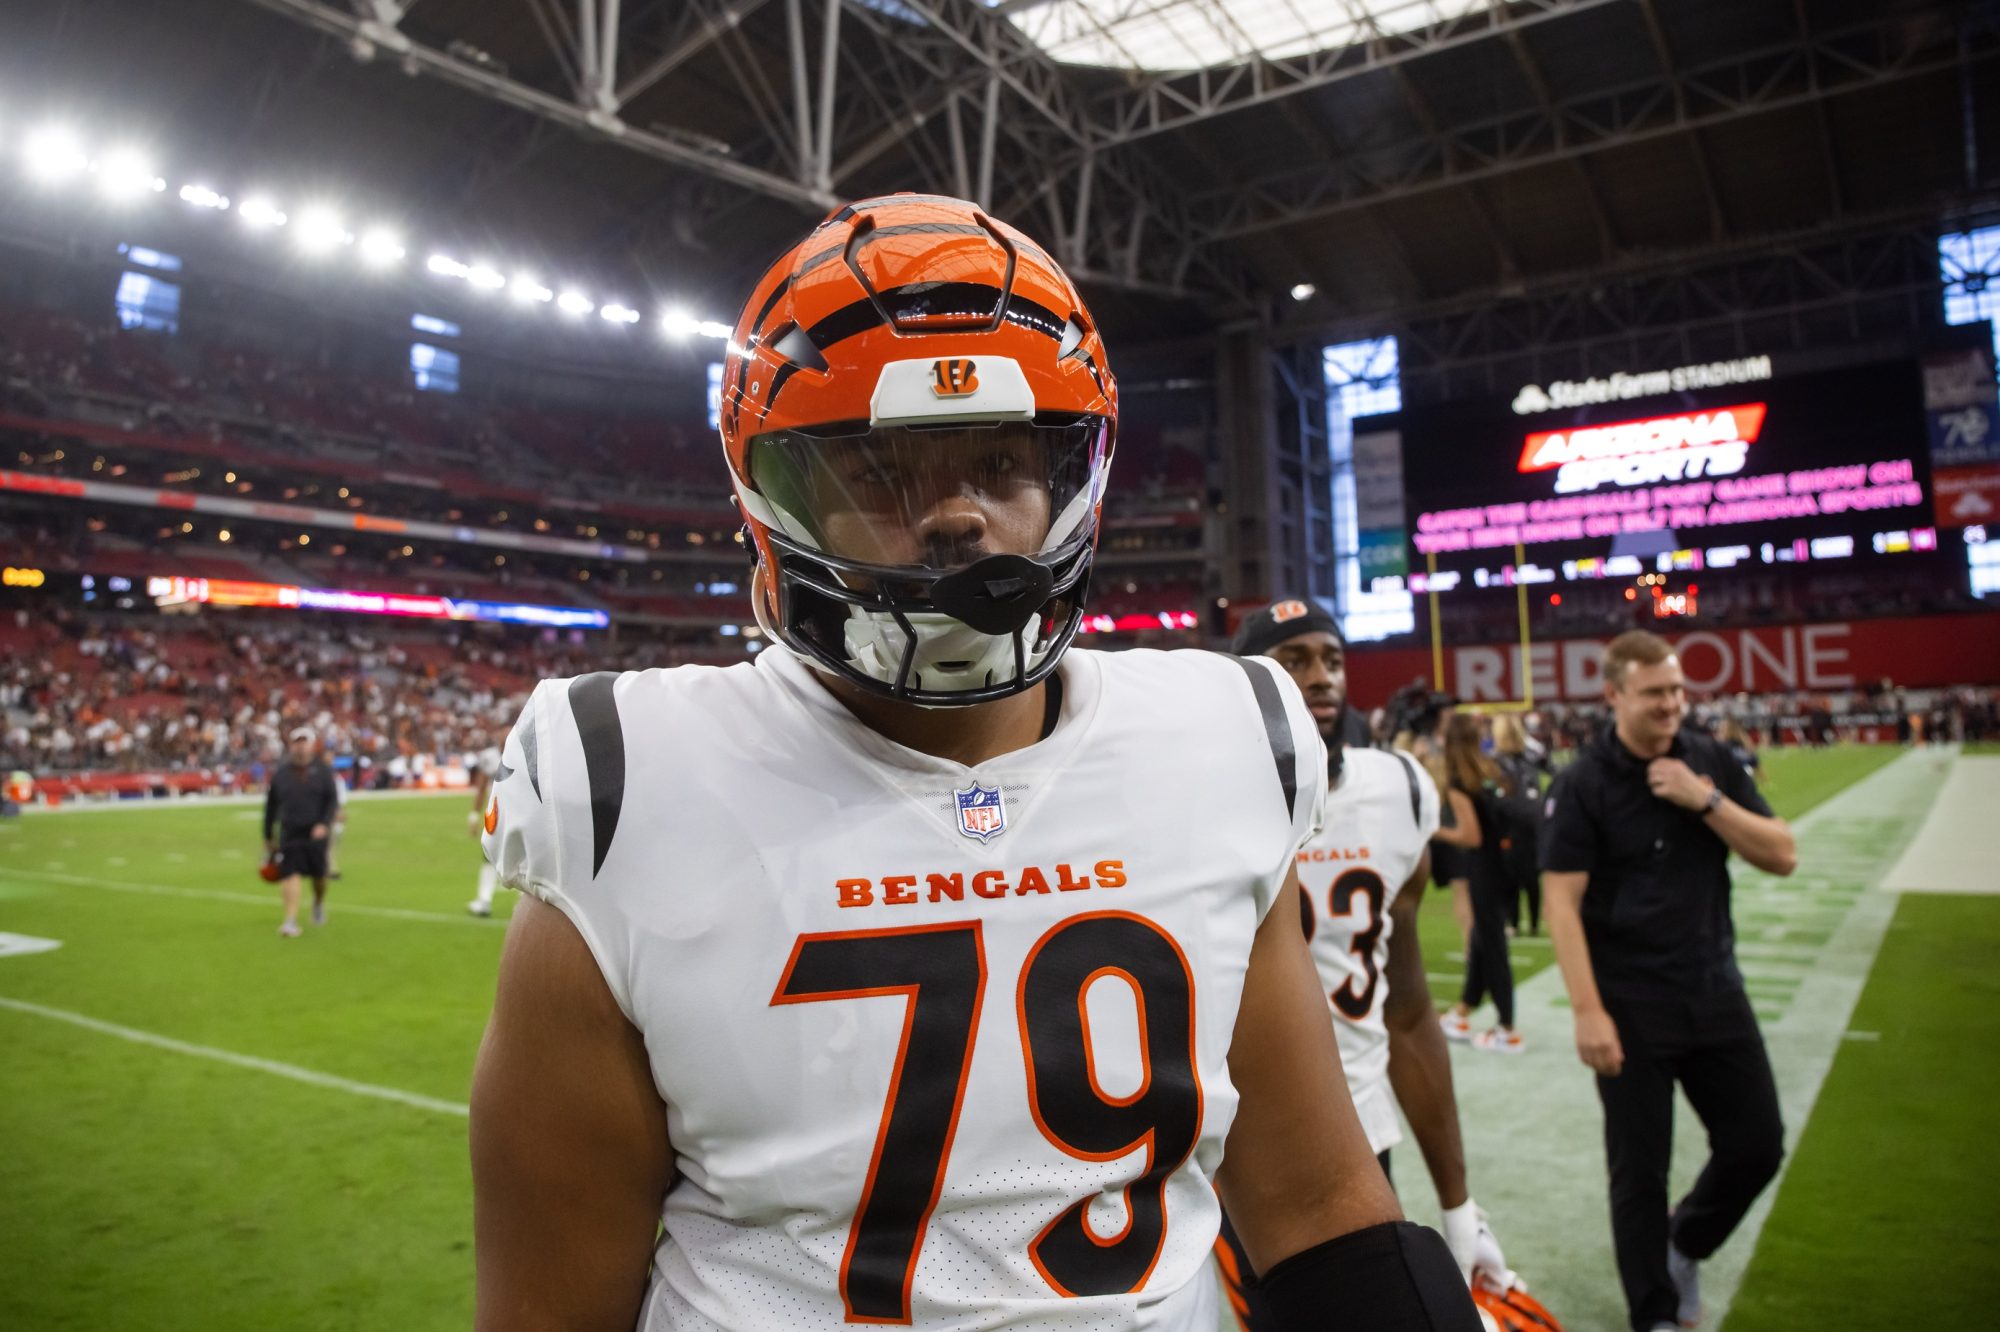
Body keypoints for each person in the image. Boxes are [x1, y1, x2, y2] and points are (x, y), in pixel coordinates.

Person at [470, 195, 1480, 1331]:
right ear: (775, 497)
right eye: (886, 471)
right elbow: (549, 1310)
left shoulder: (1221, 732)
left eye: (999, 462)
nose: (955, 515)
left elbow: (1315, 1206)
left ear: (1069, 476)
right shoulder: (626, 784)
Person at [1217, 600, 1508, 1328]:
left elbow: (1407, 1010)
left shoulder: (1401, 786)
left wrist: (1457, 1200)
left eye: (1332, 659)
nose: (1321, 677)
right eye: (1295, 661)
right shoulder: (1203, 800)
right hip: (1230, 1147)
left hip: (1358, 1135)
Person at [1541, 630, 1798, 1332]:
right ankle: (1652, 1313)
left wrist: (1705, 800)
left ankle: (1686, 1241)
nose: (1672, 704)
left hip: (1714, 986)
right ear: (1615, 694)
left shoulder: (1708, 759)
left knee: (1757, 1144)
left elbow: (1782, 855)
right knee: (1639, 1173)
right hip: (1630, 1003)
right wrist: (1588, 1011)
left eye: (1678, 690)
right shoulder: (1584, 781)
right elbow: (1560, 901)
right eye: (1655, 692)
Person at [1433, 715, 1522, 1054]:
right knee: (1482, 940)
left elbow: (1470, 836)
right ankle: (1463, 1010)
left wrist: (1434, 830)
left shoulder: (1460, 780)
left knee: (1493, 947)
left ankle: (1508, 1028)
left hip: (1485, 868)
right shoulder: (1489, 771)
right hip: (1506, 864)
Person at [262, 726, 339, 936]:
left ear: (312, 745)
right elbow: (270, 806)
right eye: (297, 741)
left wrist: (324, 824)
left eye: (305, 741)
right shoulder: (281, 774)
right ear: (291, 745)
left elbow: (332, 801)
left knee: (319, 877)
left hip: (316, 834)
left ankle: (318, 902)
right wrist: (268, 835)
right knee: (290, 874)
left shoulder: (323, 771)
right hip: (290, 832)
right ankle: (290, 920)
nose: (301, 746)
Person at [1488, 714, 1545, 936]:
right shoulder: (1531, 756)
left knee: (1510, 876)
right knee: (1531, 878)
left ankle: (1513, 922)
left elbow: (1495, 797)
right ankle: (1533, 923)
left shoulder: (1496, 760)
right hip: (1533, 823)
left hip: (1509, 824)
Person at [466, 727, 504, 918]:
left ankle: (525, 905)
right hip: (498, 814)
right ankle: (484, 899)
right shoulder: (490, 757)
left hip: (522, 812)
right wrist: (474, 815)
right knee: (489, 854)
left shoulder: (527, 748)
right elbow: (481, 788)